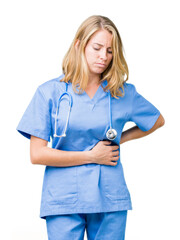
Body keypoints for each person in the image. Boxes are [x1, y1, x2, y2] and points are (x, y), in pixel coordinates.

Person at [16, 15, 165, 240]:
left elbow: (157, 121)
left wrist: (118, 141)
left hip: (109, 195)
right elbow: (37, 154)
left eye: (110, 50)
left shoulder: (122, 93)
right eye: (97, 48)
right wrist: (92, 156)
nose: (103, 56)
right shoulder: (50, 93)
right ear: (79, 45)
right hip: (64, 198)